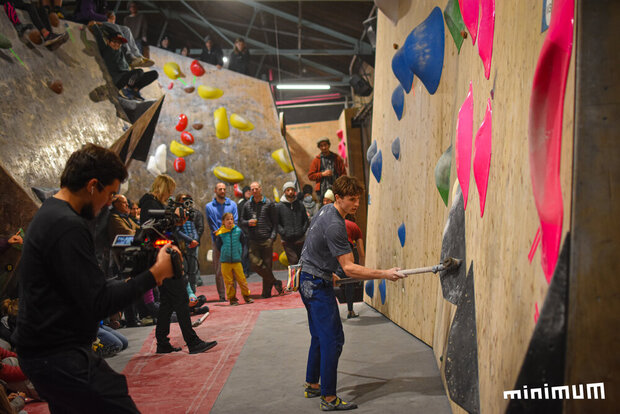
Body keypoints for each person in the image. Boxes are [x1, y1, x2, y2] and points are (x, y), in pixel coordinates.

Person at [13, 144, 182, 413]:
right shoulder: (66, 225)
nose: (108, 202)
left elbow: (82, 290)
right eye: (110, 193)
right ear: (93, 185)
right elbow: (99, 303)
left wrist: (132, 280)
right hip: (58, 356)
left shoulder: (51, 214)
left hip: (46, 353)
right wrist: (156, 274)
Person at [298, 175, 405, 411]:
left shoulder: (325, 210)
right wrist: (385, 274)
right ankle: (328, 398)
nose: (356, 204)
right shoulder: (336, 224)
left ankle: (312, 384)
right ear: (338, 198)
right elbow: (350, 268)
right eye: (351, 199)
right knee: (333, 340)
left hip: (307, 279)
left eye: (359, 199)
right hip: (315, 284)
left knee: (319, 335)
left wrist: (325, 269)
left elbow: (314, 242)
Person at [139, 175, 217, 355]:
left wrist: (177, 221)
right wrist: (172, 220)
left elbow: (164, 228)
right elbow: (153, 230)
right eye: (170, 190)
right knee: (181, 299)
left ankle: (162, 342)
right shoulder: (150, 204)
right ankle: (192, 342)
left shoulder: (156, 204)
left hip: (164, 256)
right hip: (163, 258)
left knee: (167, 302)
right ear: (164, 188)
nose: (171, 194)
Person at [89, 21, 158, 101]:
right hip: (118, 80)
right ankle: (125, 89)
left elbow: (121, 31)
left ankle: (135, 90)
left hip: (129, 78)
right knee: (139, 71)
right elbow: (99, 36)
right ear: (108, 42)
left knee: (154, 74)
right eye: (114, 42)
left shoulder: (121, 49)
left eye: (119, 43)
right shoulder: (106, 49)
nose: (117, 45)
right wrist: (95, 25)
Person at [239, 182, 283, 298]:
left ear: (260, 189)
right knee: (255, 264)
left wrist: (272, 238)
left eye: (256, 189)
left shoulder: (269, 203)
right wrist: (248, 223)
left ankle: (266, 293)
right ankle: (275, 281)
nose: (254, 191)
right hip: (253, 240)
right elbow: (241, 221)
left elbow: (275, 223)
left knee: (267, 267)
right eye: (252, 189)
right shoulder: (247, 205)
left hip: (267, 240)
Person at [205, 183, 238, 302]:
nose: (223, 191)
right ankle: (222, 295)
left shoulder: (232, 204)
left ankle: (233, 294)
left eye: (224, 189)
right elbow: (213, 226)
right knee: (219, 270)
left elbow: (235, 222)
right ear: (215, 190)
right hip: (218, 242)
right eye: (220, 189)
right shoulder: (209, 207)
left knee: (233, 269)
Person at [215, 213, 253, 306]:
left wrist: (240, 253)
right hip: (225, 261)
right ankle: (232, 299)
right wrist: (225, 253)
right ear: (223, 221)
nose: (230, 221)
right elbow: (218, 246)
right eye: (227, 219)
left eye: (231, 219)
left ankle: (246, 296)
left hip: (237, 260)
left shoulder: (238, 231)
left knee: (242, 279)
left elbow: (244, 242)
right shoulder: (220, 233)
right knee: (228, 281)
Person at [338, 215, 365, 319]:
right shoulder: (354, 227)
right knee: (349, 282)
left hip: (331, 257)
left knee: (330, 283)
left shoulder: (332, 223)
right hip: (346, 255)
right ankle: (350, 310)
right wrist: (361, 273)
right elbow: (361, 254)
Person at [276, 181, 308, 266]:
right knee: (293, 262)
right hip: (287, 240)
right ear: (284, 192)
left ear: (295, 191)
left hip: (300, 238)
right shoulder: (279, 206)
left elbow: (306, 220)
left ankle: (302, 279)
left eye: (292, 190)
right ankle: (294, 279)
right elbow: (276, 223)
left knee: (303, 262)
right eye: (288, 190)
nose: (290, 192)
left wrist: (302, 231)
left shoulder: (300, 204)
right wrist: (284, 232)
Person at [308, 137, 346, 203]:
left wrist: (341, 185)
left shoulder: (337, 158)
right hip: (322, 190)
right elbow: (310, 176)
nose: (324, 147)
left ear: (329, 145)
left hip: (336, 188)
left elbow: (343, 174)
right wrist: (322, 174)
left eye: (325, 145)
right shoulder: (316, 160)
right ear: (319, 147)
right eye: (321, 146)